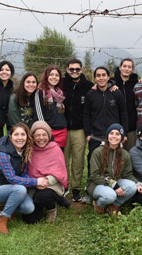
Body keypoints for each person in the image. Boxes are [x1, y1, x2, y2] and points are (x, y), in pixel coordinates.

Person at [0, 123, 49, 234]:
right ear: (10, 137)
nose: (20, 138)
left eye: (23, 134)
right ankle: (3, 220)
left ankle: (6, 207)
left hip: (13, 189)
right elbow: (12, 178)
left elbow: (23, 174)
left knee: (29, 208)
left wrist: (37, 183)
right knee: (20, 189)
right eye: (16, 135)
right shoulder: (3, 154)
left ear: (27, 136)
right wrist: (35, 181)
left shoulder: (23, 152)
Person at [83, 66, 128, 203]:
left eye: (104, 75)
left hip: (114, 137)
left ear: (108, 77)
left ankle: (113, 189)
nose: (101, 78)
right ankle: (90, 192)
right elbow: (86, 114)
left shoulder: (117, 93)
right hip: (96, 136)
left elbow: (124, 113)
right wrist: (88, 133)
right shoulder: (91, 94)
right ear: (94, 78)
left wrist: (123, 132)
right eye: (98, 75)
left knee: (113, 163)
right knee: (93, 164)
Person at [87, 123, 142, 215]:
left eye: (117, 134)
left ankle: (114, 205)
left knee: (132, 187)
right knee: (110, 195)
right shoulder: (98, 152)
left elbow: (127, 174)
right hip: (96, 184)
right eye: (111, 133)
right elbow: (94, 175)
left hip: (115, 181)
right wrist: (114, 185)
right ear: (107, 136)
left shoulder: (125, 154)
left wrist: (138, 184)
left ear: (121, 138)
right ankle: (99, 204)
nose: (114, 136)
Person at [23, 121, 70, 223]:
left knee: (43, 196)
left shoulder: (55, 149)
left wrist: (46, 181)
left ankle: (51, 209)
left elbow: (60, 172)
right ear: (33, 137)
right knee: (30, 220)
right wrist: (36, 183)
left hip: (52, 184)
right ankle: (44, 205)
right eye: (38, 135)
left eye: (44, 135)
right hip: (34, 185)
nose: (41, 138)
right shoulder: (29, 151)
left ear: (49, 136)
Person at [63, 58, 93, 202]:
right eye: (71, 69)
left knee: (78, 160)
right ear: (67, 70)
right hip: (63, 128)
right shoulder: (62, 84)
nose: (74, 72)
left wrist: (112, 84)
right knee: (62, 159)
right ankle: (63, 186)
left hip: (80, 129)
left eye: (77, 69)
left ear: (81, 70)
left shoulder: (88, 86)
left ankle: (75, 188)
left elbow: (103, 86)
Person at [34, 66, 67, 149]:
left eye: (57, 75)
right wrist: (44, 131)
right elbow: (39, 114)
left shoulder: (60, 93)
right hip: (48, 132)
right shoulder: (40, 92)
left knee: (58, 159)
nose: (54, 77)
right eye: (51, 74)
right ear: (46, 76)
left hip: (62, 131)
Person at [110, 58, 139, 151]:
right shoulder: (111, 83)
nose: (126, 69)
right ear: (120, 68)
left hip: (131, 127)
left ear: (132, 69)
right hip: (115, 127)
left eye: (129, 67)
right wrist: (109, 85)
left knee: (130, 156)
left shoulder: (136, 84)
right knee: (115, 155)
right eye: (124, 66)